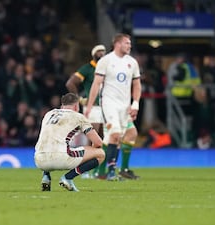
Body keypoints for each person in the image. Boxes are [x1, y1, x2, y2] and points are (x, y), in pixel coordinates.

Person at [85, 33, 141, 180]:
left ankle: (101, 170)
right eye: (126, 43)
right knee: (115, 134)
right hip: (109, 104)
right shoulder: (106, 61)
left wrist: (135, 104)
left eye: (130, 43)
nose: (129, 46)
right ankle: (111, 171)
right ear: (117, 44)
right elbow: (96, 84)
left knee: (122, 135)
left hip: (125, 106)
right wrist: (89, 106)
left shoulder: (132, 63)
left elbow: (136, 84)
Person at [34, 93, 105, 192]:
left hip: (39, 160)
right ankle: (68, 178)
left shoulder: (49, 114)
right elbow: (98, 143)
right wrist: (91, 152)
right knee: (100, 154)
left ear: (62, 106)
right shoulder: (78, 116)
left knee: (50, 141)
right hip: (61, 158)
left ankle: (46, 176)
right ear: (76, 106)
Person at [65, 44, 107, 179]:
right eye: (99, 51)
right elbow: (70, 83)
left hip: (107, 106)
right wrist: (78, 99)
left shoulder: (107, 68)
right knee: (93, 138)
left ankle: (98, 169)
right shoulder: (88, 68)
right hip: (93, 107)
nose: (101, 53)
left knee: (104, 138)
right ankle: (85, 169)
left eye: (103, 52)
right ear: (93, 54)